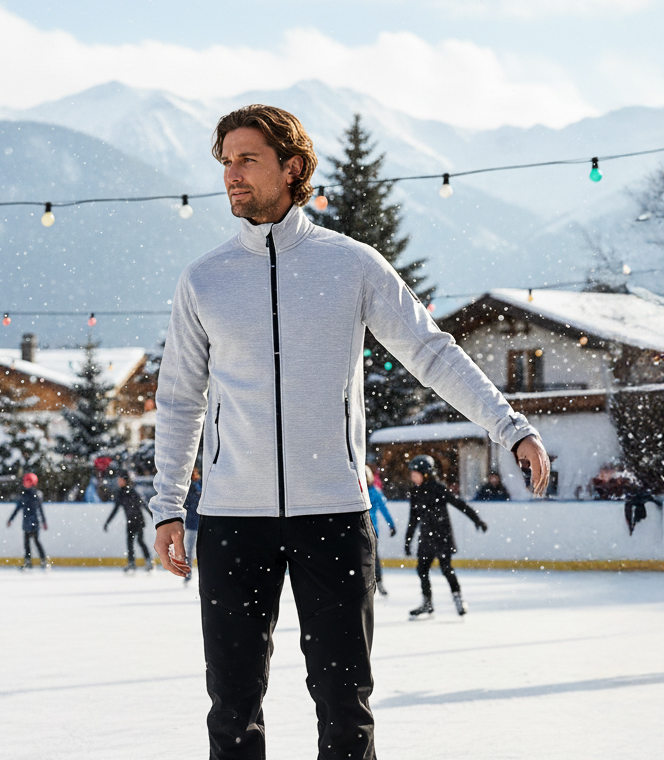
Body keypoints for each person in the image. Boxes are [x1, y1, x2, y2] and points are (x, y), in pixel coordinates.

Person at [150, 104, 550, 760]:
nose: (232, 174)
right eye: (225, 161)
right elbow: (178, 399)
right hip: (232, 520)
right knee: (232, 711)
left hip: (332, 516)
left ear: (292, 168)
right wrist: (169, 506)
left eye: (247, 159)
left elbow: (431, 352)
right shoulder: (204, 279)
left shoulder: (352, 265)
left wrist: (508, 425)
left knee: (345, 709)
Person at [404, 455, 488, 618]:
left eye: (415, 474)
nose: (412, 477)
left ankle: (458, 599)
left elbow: (459, 504)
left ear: (426, 473)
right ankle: (427, 604)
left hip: (442, 536)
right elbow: (413, 518)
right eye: (411, 474)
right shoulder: (415, 492)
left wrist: (477, 519)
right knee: (422, 569)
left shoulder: (438, 488)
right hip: (426, 537)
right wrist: (407, 541)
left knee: (446, 569)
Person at [104, 470, 153, 572]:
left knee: (140, 540)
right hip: (130, 522)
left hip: (139, 521)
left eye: (120, 480)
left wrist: (152, 515)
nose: (119, 482)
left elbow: (144, 504)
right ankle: (131, 563)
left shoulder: (133, 491)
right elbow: (115, 509)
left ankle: (149, 561)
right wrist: (107, 522)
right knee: (129, 542)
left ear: (125, 480)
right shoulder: (121, 494)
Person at [7, 472, 49, 570]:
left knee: (35, 541)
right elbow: (18, 508)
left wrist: (43, 521)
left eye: (28, 481)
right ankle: (28, 562)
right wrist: (11, 519)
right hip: (27, 522)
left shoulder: (36, 495)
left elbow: (40, 509)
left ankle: (42, 561)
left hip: (34, 522)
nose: (25, 483)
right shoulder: (25, 495)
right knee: (27, 543)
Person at [366, 466, 396, 596]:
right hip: (359, 530)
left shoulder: (374, 492)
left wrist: (391, 525)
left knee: (374, 558)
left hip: (371, 531)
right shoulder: (357, 492)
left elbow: (384, 509)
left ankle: (378, 582)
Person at [181, 466, 202, 582]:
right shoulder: (188, 488)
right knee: (189, 549)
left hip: (202, 522)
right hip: (192, 523)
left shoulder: (201, 484)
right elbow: (185, 504)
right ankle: (188, 572)